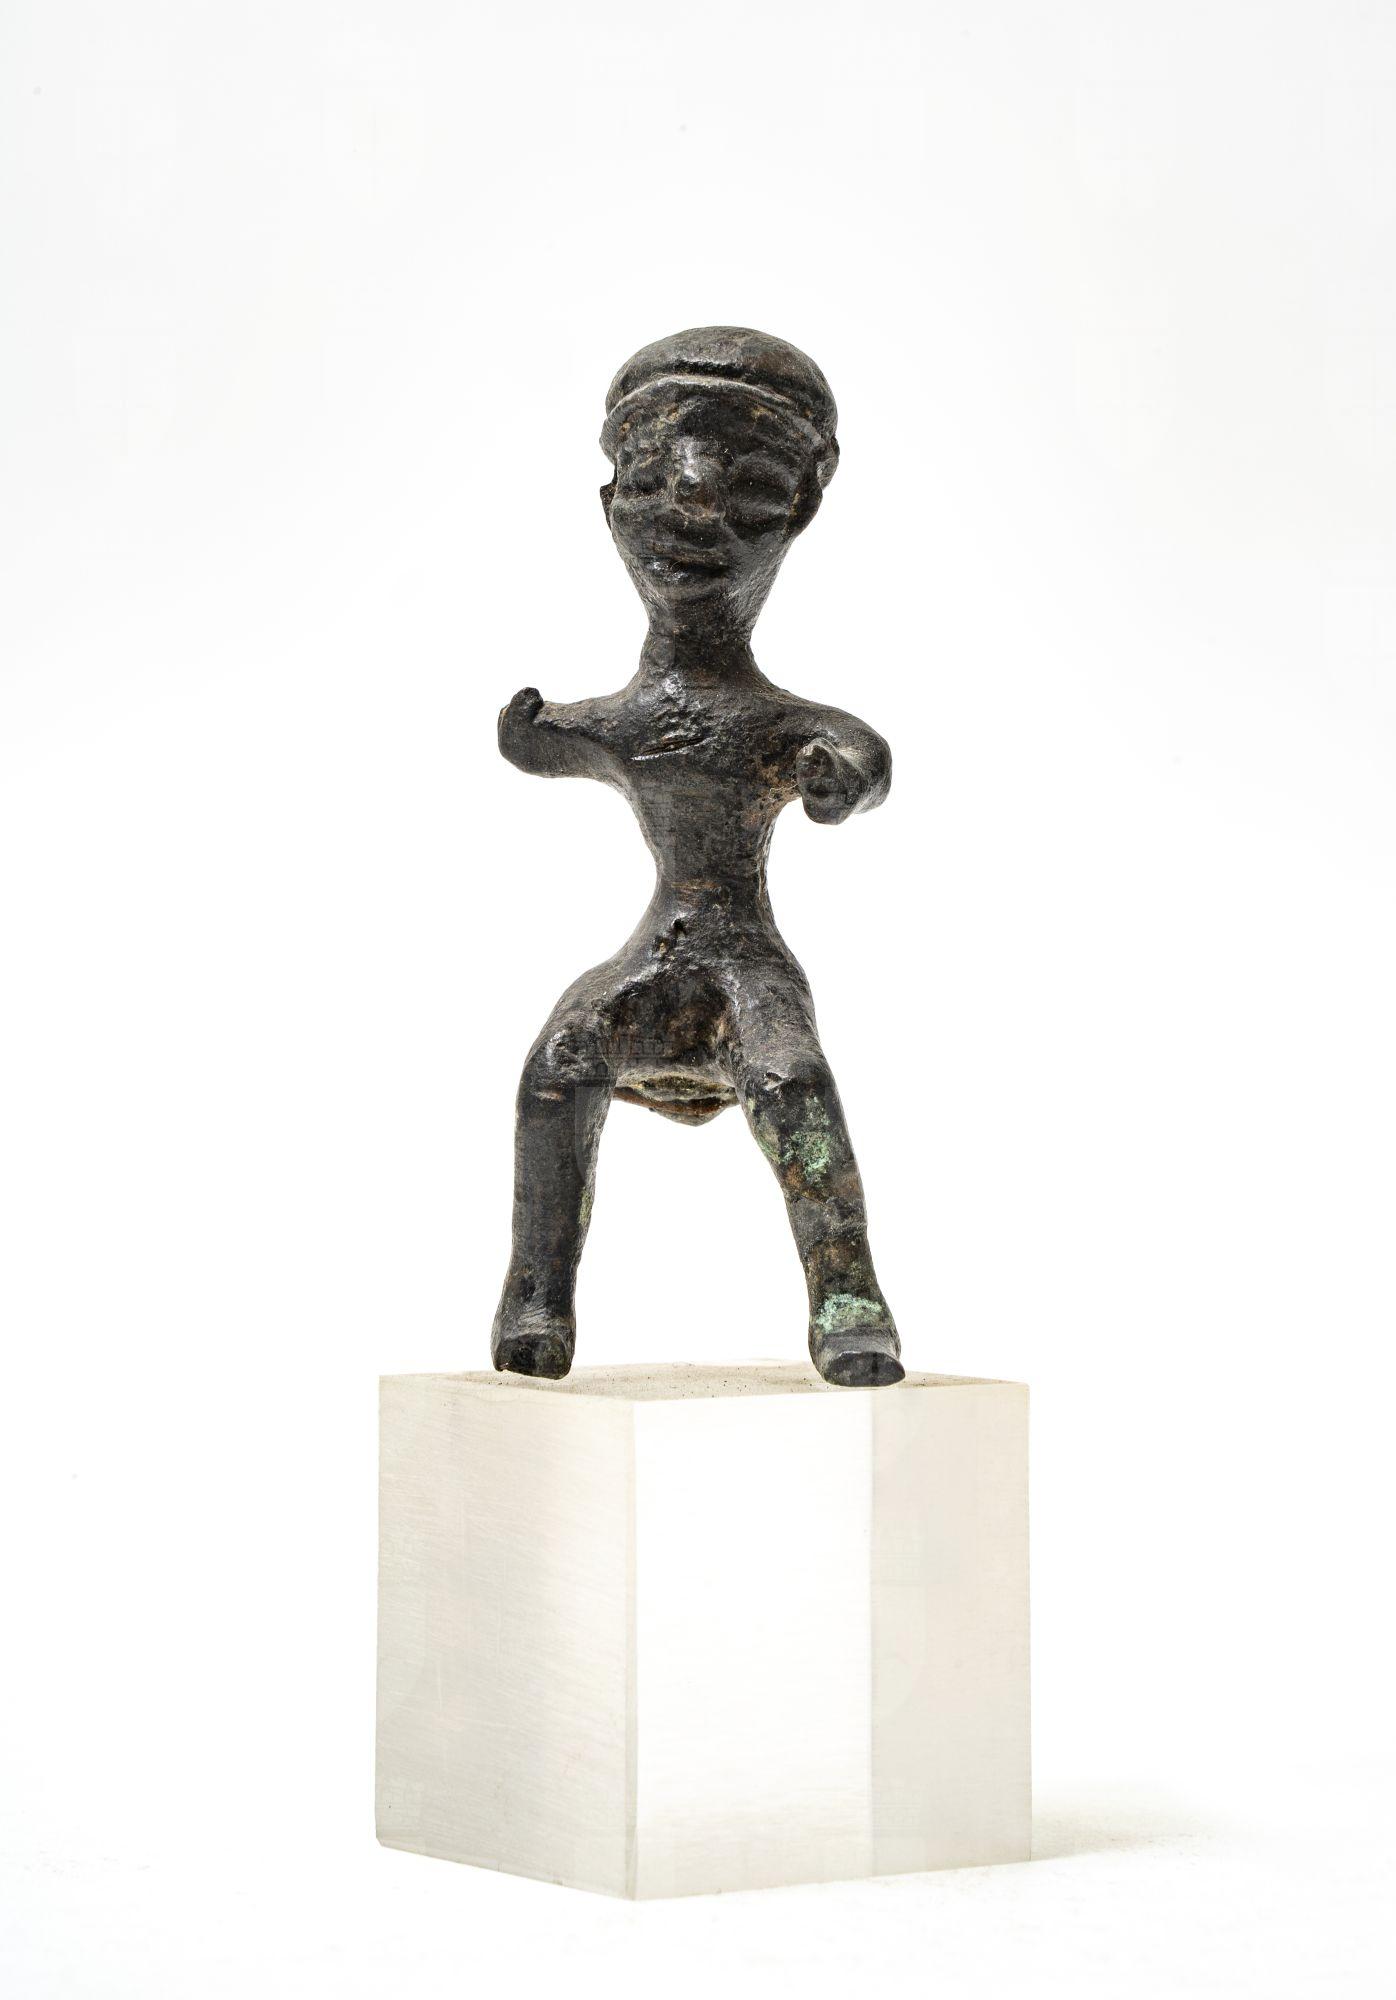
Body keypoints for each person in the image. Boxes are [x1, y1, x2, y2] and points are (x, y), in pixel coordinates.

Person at [493, 326, 902, 1386]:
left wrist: (843, 772)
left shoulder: (770, 723)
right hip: (659, 958)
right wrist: (530, 732)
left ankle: (851, 1303)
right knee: (559, 1060)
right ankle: (535, 1298)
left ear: (799, 508)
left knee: (792, 1077)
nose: (690, 516)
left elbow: (854, 751)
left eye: (743, 491)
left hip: (748, 965)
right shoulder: (631, 718)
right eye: (653, 487)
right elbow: (561, 739)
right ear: (610, 505)